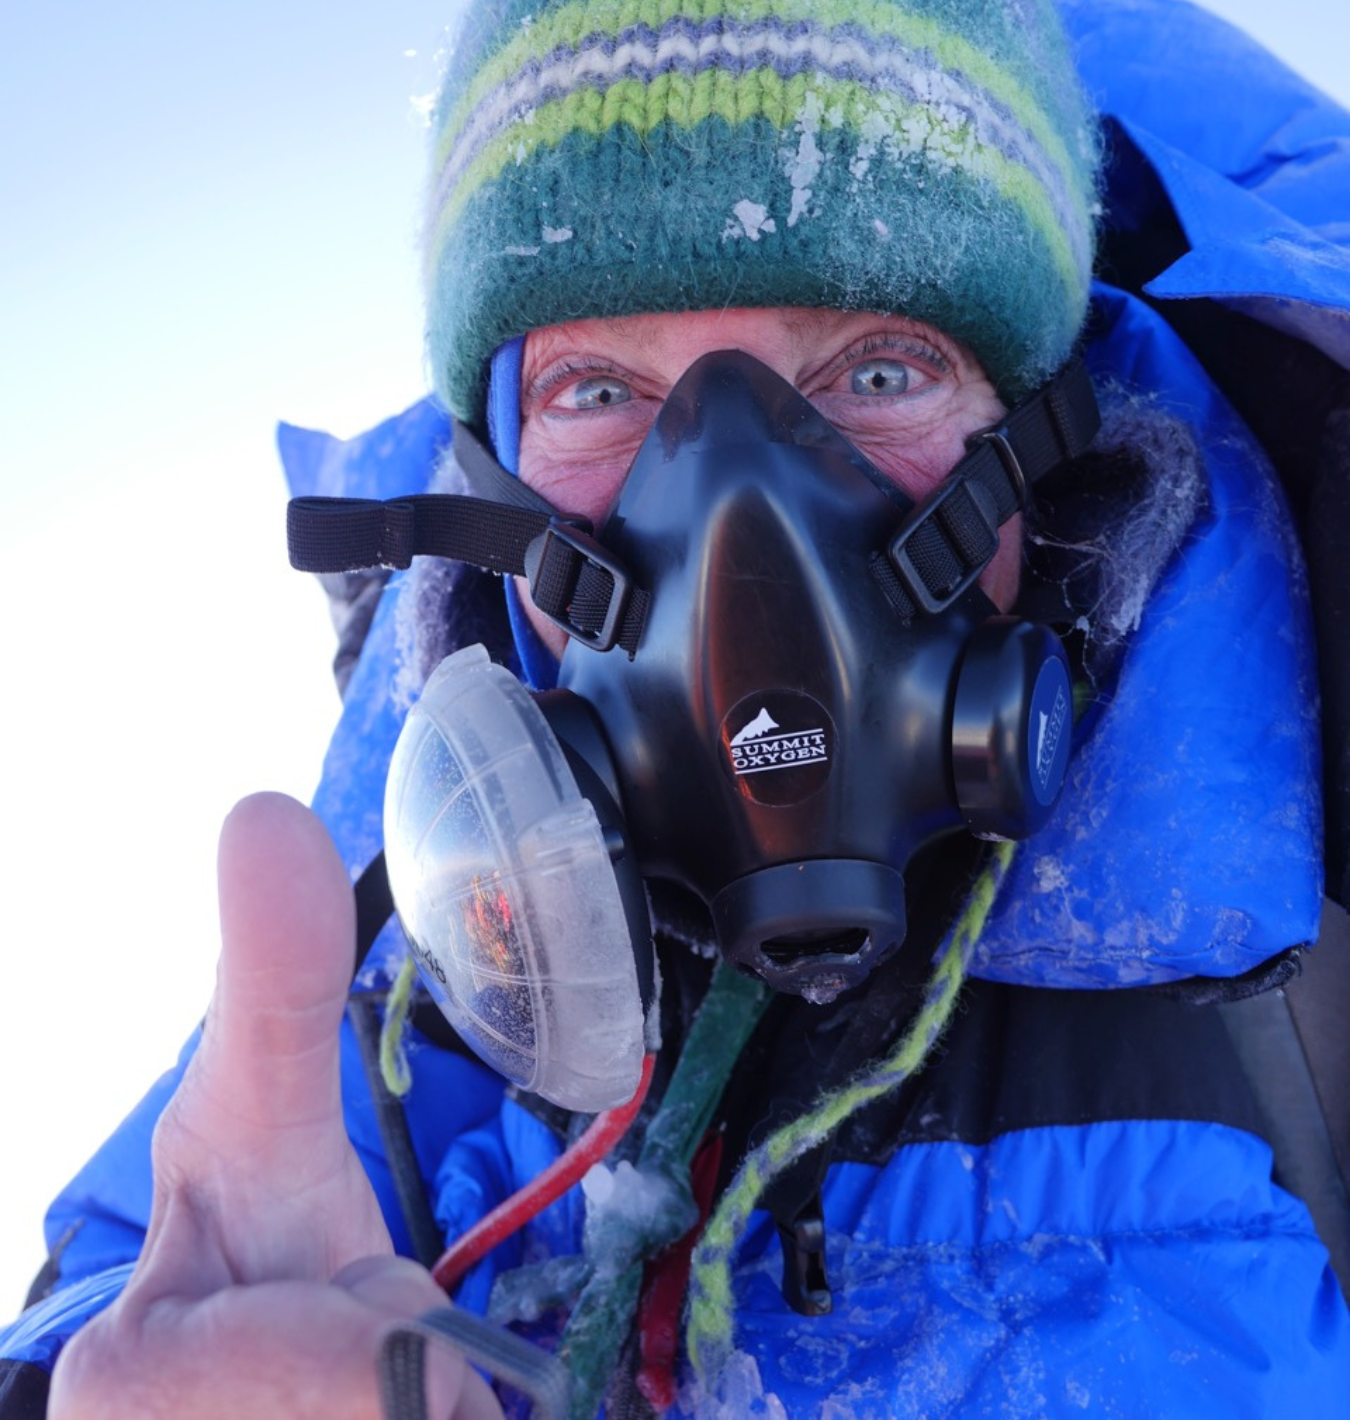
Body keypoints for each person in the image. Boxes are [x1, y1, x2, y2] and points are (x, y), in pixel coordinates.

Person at [4, 0, 1350, 1416]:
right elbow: (120, 1308)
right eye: (597, 386)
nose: (736, 521)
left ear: (1043, 430)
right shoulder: (370, 992)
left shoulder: (1310, 865)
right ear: (487, 487)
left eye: (878, 369)